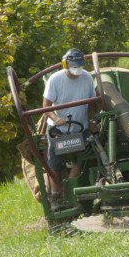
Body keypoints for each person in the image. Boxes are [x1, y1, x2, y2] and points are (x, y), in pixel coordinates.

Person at [42, 48, 97, 204]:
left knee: (82, 157)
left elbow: (92, 103)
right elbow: (46, 105)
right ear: (65, 64)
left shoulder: (86, 78)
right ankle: (54, 195)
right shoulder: (55, 80)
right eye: (74, 66)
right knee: (55, 163)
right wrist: (56, 118)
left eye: (80, 66)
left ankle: (70, 194)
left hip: (81, 127)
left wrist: (92, 122)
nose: (77, 70)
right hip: (58, 129)